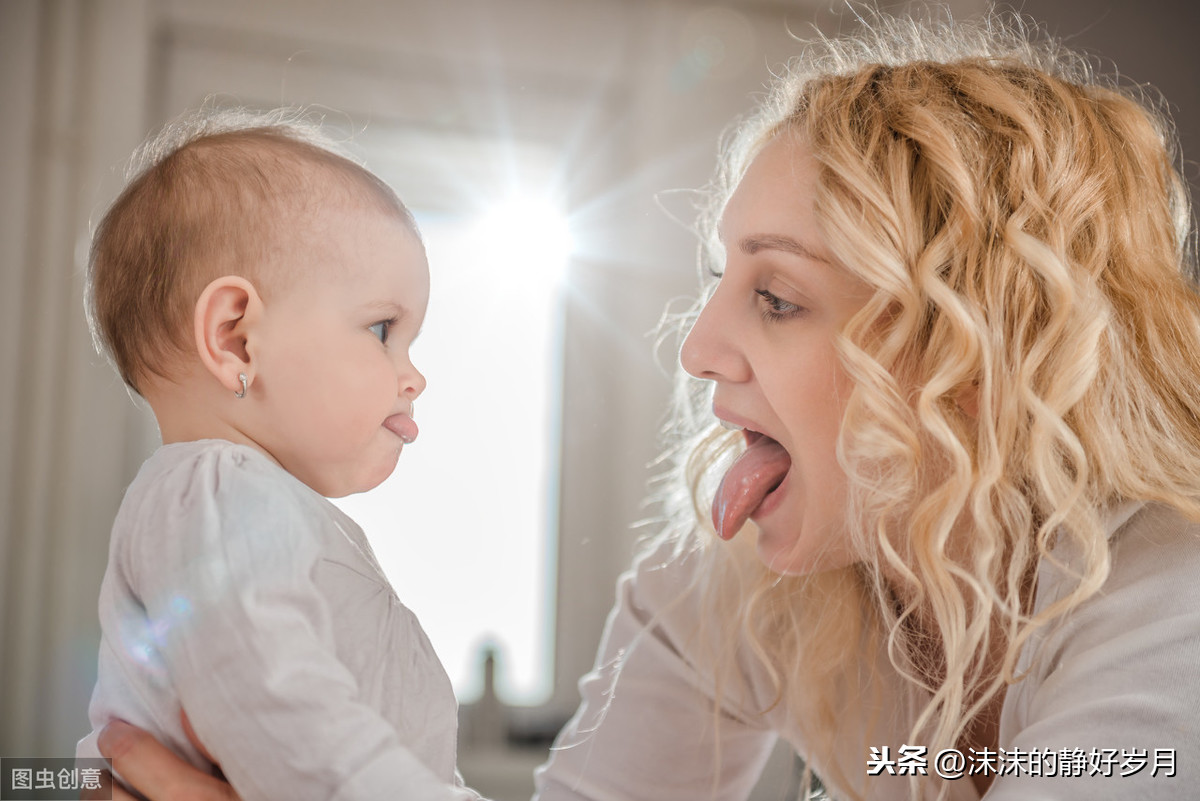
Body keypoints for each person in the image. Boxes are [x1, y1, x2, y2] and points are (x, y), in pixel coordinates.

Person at [91, 9, 1200, 801]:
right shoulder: (745, 585)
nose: (703, 346)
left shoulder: (1172, 606)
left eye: (775, 296)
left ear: (971, 352)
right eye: (719, 282)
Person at [77, 108, 487, 801]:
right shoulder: (217, 490)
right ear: (237, 339)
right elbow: (281, 709)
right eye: (383, 328)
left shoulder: (249, 504)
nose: (413, 375)